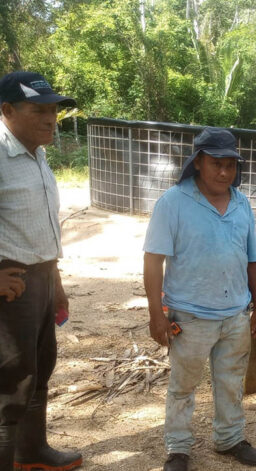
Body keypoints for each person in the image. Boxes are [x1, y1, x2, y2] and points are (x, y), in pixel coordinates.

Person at [143, 128, 256, 470]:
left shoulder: (241, 203)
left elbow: (253, 259)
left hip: (235, 315)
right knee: (183, 385)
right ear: (197, 162)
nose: (224, 172)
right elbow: (153, 260)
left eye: (231, 165)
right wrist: (156, 315)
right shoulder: (173, 203)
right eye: (216, 164)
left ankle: (229, 438)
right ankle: (178, 448)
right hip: (190, 316)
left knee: (231, 380)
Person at [0, 71, 83, 471]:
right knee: (10, 384)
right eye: (39, 111)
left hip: (42, 278)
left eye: (54, 111)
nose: (51, 119)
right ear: (7, 110)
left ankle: (30, 452)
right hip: (11, 285)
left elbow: (41, 228)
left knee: (38, 369)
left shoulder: (37, 154)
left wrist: (56, 283)